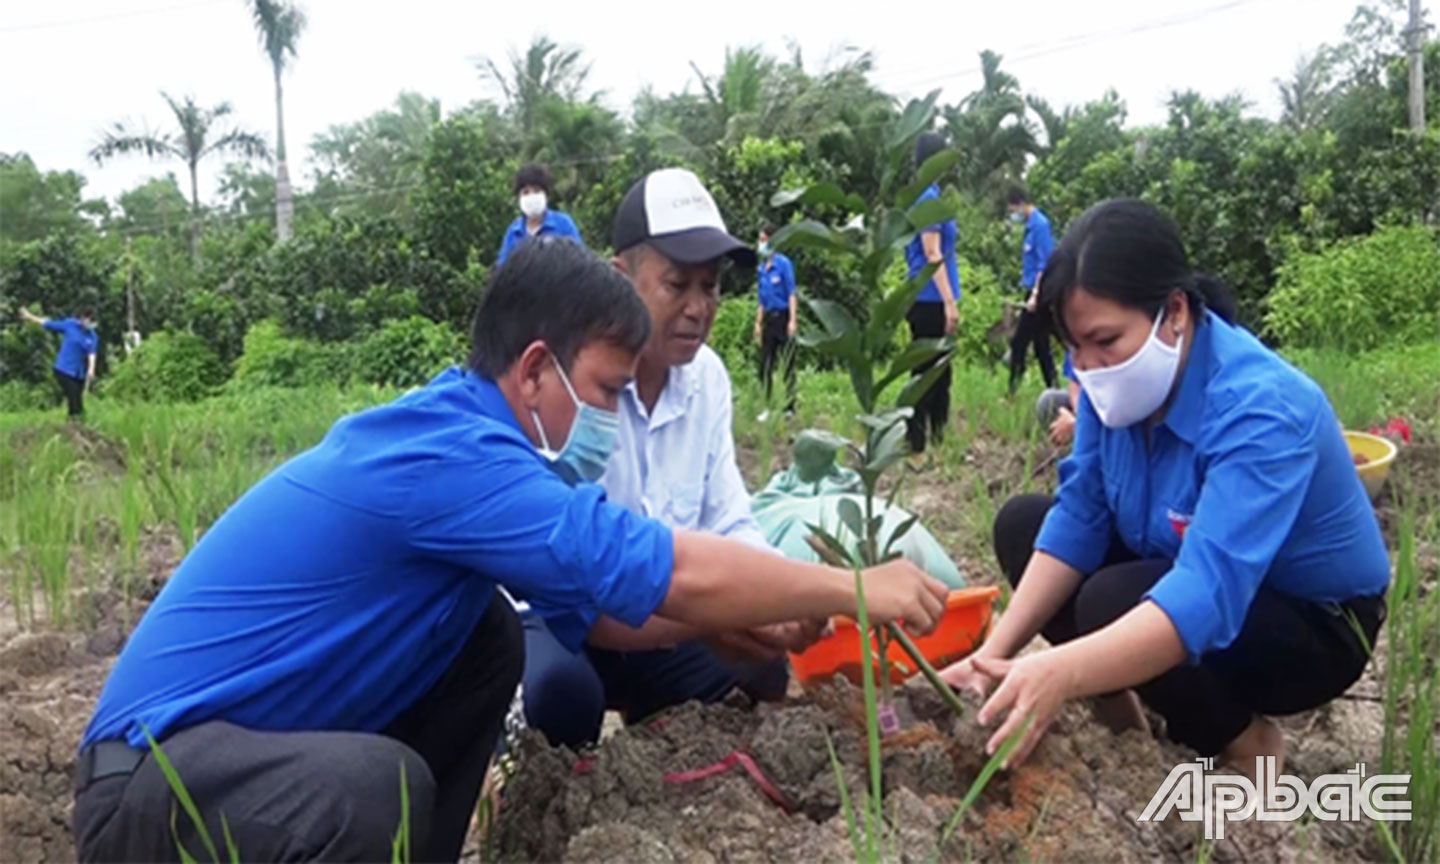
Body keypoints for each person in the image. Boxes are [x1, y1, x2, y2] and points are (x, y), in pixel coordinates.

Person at [72, 238, 948, 864]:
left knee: (488, 639)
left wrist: (717, 630)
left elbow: (602, 617)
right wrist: (851, 586)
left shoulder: (476, 443)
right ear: (534, 370)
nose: (610, 419)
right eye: (603, 391)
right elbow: (666, 565)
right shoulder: (451, 457)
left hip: (245, 768)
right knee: (374, 788)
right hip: (151, 790)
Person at [940, 199, 1389, 782]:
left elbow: (1209, 589)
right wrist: (990, 658)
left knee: (1112, 599)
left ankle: (1247, 741)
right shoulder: (1111, 384)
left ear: (1174, 310)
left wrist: (1062, 671)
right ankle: (1126, 725)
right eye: (1074, 347)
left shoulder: (1261, 407)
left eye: (1104, 340)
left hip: (1311, 623)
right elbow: (1080, 517)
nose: (1089, 367)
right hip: (1178, 564)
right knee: (1024, 526)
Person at [520, 170, 813, 749]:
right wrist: (710, 614)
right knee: (559, 693)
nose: (698, 308)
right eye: (677, 284)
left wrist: (780, 596)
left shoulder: (707, 379)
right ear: (619, 279)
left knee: (761, 665)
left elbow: (727, 520)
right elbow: (571, 575)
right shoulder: (568, 383)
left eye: (711, 287)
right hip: (564, 620)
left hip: (660, 624)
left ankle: (666, 760)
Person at [903, 132, 961, 458]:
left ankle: (938, 435)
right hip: (929, 298)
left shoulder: (930, 194)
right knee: (926, 371)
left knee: (941, 370)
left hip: (934, 296)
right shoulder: (926, 198)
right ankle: (915, 438)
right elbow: (931, 252)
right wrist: (949, 302)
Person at [1005, 186, 1058, 397]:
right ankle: (1053, 389)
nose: (1013, 214)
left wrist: (1036, 294)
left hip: (1039, 293)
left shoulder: (1040, 226)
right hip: (1031, 291)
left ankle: (1012, 391)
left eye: (1012, 210)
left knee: (1019, 343)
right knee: (1041, 345)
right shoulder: (1030, 227)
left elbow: (1045, 263)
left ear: (1020, 204)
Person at [495, 162, 584, 266]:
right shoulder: (514, 232)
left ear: (546, 195)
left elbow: (580, 262)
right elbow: (503, 268)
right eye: (525, 192)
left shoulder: (564, 224)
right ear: (518, 198)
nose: (531, 196)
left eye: (537, 191)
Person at [752, 222, 798, 421]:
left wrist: (793, 321)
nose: (760, 244)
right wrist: (758, 323)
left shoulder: (783, 264)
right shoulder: (761, 269)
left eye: (763, 240)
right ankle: (767, 406)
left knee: (787, 363)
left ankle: (790, 407)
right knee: (766, 364)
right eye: (760, 240)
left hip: (783, 316)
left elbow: (792, 293)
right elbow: (761, 300)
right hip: (769, 319)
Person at [19, 305, 98, 420]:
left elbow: (92, 353)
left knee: (78, 401)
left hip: (78, 372)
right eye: (89, 320)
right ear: (82, 319)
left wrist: (91, 369)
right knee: (73, 398)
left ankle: (75, 423)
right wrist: (30, 316)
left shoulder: (92, 336)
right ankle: (74, 422)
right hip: (64, 369)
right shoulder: (70, 325)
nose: (91, 324)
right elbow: (48, 323)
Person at [1034, 351, 1082, 447]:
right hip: (1088, 403)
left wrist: (1079, 423)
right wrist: (1077, 414)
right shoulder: (1078, 346)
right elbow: (1075, 382)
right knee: (1048, 401)